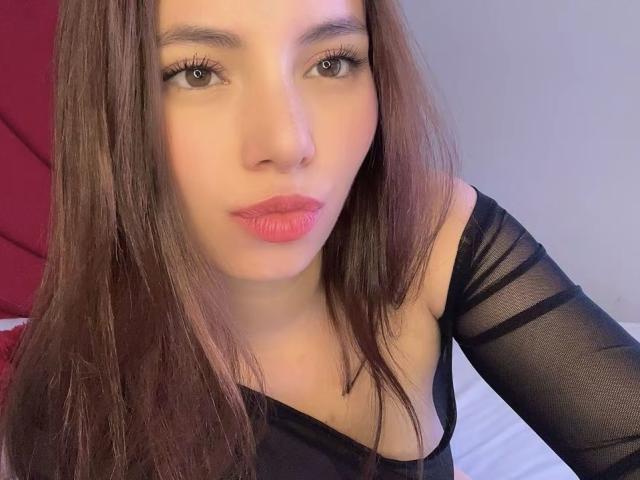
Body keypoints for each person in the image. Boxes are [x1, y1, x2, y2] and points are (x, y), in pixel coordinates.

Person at [0, 0, 638, 479]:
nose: (289, 143)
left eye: (332, 62)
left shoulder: (426, 227)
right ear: (111, 103)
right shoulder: (76, 401)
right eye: (196, 73)